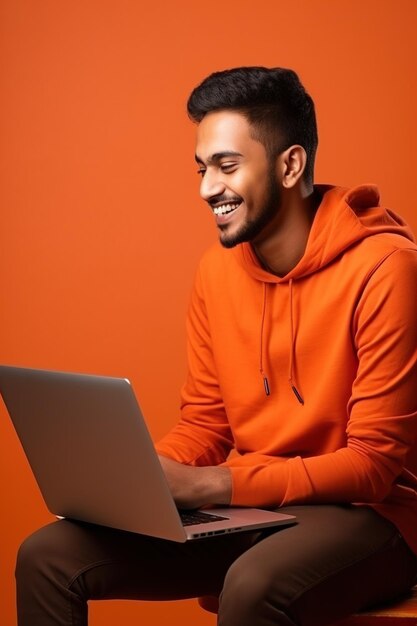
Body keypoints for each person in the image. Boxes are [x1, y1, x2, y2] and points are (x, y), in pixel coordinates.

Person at [16, 67, 417, 626]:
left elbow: (373, 465)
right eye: (203, 168)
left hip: (376, 518)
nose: (207, 187)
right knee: (47, 557)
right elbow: (206, 424)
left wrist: (216, 484)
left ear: (289, 165)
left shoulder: (387, 269)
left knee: (254, 585)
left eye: (227, 166)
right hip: (254, 508)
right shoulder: (216, 271)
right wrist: (143, 473)